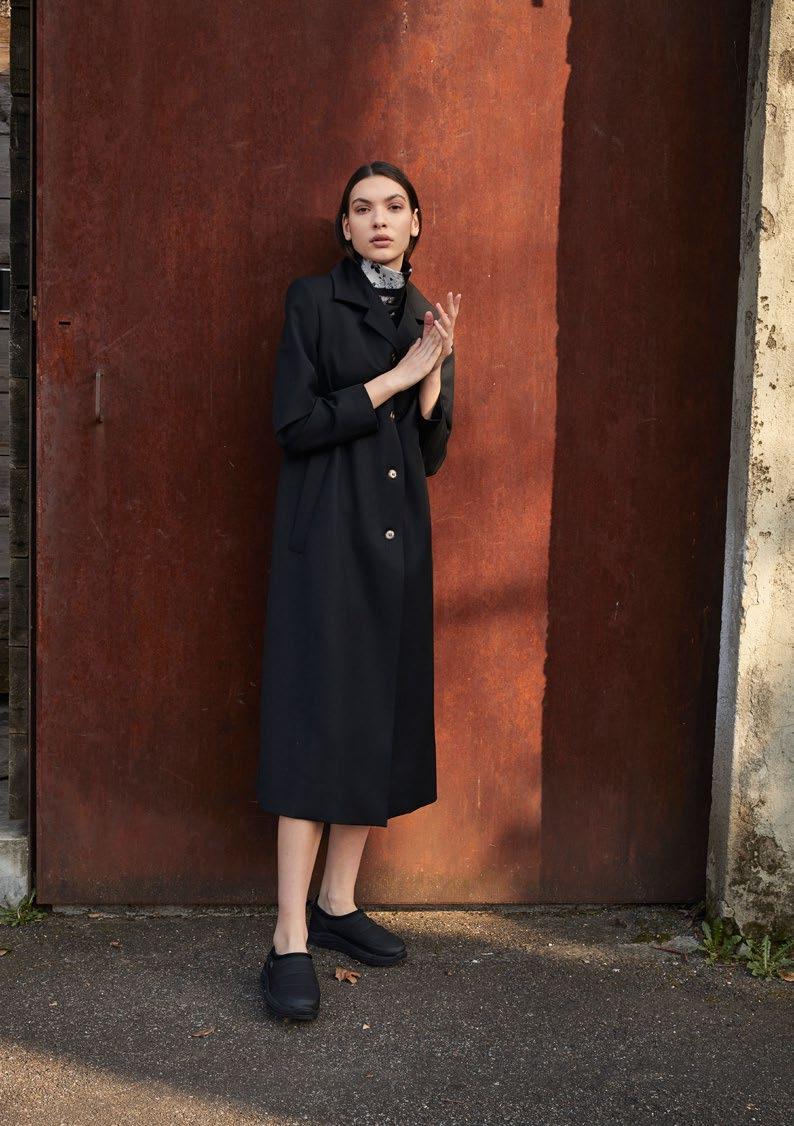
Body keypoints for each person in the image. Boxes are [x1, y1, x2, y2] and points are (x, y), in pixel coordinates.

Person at [257, 161, 460, 1020]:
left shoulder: (426, 315)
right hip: (326, 542)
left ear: (417, 223)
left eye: (394, 207)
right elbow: (295, 424)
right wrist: (399, 376)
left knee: (373, 721)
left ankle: (337, 905)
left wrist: (435, 377)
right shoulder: (312, 301)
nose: (379, 220)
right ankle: (288, 938)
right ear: (344, 227)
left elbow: (430, 454)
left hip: (396, 545)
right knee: (315, 729)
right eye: (362, 209)